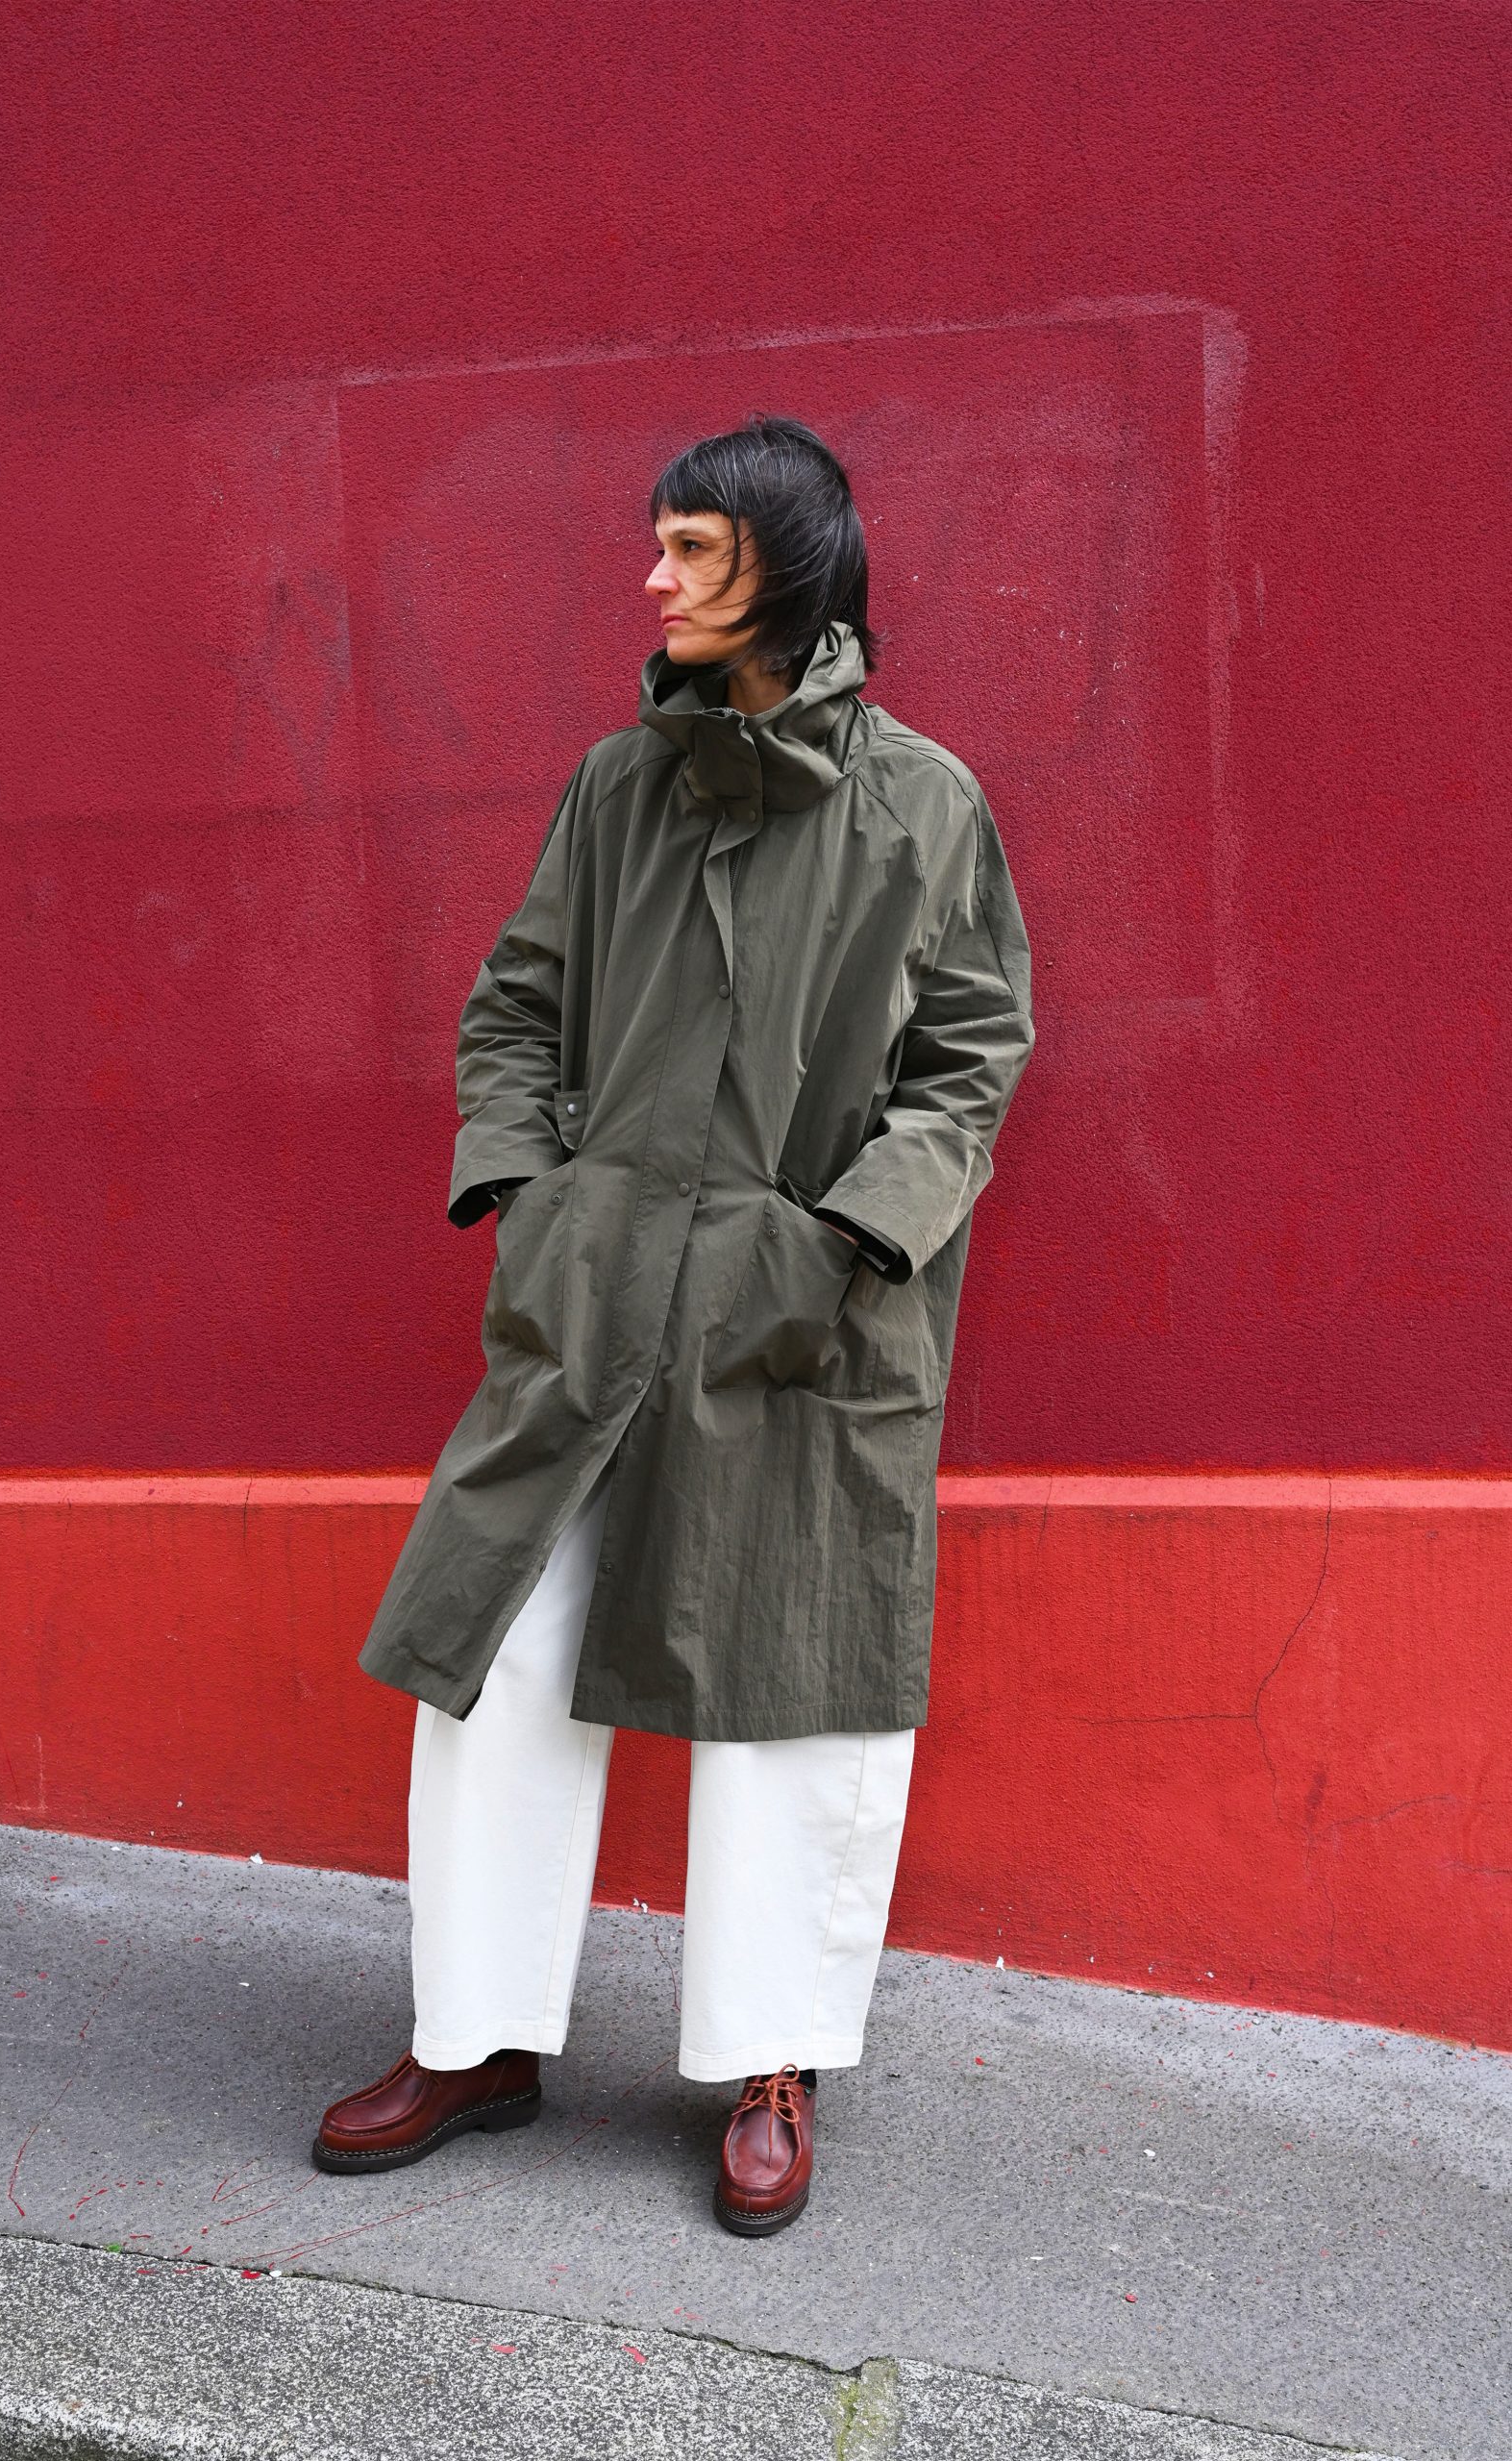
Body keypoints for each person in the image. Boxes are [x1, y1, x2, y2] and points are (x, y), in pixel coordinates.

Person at [312, 413, 1036, 2236]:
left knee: (792, 1679)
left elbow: (968, 1061)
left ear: (789, 565)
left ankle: (773, 2061)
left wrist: (838, 1246)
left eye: (693, 548)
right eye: (660, 544)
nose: (654, 578)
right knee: (496, 1657)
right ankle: (476, 2036)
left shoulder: (924, 801)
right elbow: (514, 1003)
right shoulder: (613, 787)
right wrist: (530, 1196)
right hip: (594, 1294)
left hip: (804, 1322)